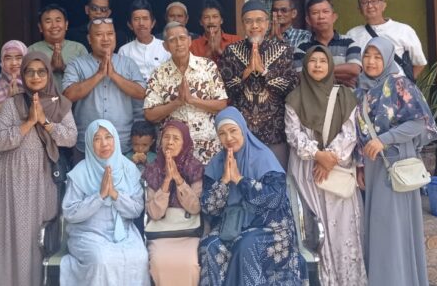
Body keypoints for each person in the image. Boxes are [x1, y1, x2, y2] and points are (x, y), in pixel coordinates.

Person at [0, 52, 77, 286]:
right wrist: (28, 122)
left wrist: (45, 122)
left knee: (38, 235)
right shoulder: (13, 103)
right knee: (12, 234)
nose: (35, 76)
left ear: (49, 74)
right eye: (30, 72)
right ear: (23, 75)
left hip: (43, 178)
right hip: (11, 179)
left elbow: (70, 138)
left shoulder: (60, 104)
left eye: (41, 71)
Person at [355, 37, 437, 286]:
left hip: (396, 162)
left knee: (391, 227)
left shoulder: (400, 84)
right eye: (367, 55)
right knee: (378, 227)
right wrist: (360, 164)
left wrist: (384, 139)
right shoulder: (360, 90)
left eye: (377, 57)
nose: (371, 61)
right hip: (373, 165)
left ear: (388, 59)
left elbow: (420, 122)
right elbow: (358, 132)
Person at [284, 45, 367, 286]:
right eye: (313, 61)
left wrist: (330, 158)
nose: (318, 65)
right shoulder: (294, 98)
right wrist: (319, 155)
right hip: (307, 173)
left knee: (343, 232)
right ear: (305, 66)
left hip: (336, 172)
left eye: (323, 60)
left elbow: (351, 133)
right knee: (313, 231)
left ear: (330, 65)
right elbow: (293, 134)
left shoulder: (346, 96)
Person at [199, 107, 303, 286]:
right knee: (210, 246)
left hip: (271, 227)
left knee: (246, 246)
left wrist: (240, 180)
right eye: (222, 133)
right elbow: (209, 209)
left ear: (243, 129)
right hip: (231, 226)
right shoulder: (217, 164)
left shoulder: (263, 157)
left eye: (233, 131)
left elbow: (275, 199)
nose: (228, 138)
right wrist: (224, 180)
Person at [60, 120, 149, 286]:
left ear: (115, 139)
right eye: (97, 139)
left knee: (140, 257)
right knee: (102, 260)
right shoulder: (80, 173)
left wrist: (115, 195)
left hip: (125, 233)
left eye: (108, 137)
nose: (104, 143)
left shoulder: (129, 169)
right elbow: (70, 213)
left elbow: (136, 209)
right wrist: (99, 196)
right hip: (87, 233)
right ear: (89, 143)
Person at [218, 0, 298, 168]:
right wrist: (246, 73)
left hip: (274, 132)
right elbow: (225, 91)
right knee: (243, 180)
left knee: (274, 179)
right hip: (242, 134)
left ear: (267, 23)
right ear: (243, 24)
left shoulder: (283, 51)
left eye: (259, 20)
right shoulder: (231, 51)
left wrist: (264, 72)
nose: (254, 26)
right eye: (249, 21)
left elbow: (291, 88)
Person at [63, 18, 146, 163]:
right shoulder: (77, 64)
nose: (106, 39)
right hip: (87, 142)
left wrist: (114, 75)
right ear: (89, 39)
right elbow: (68, 95)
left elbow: (141, 93)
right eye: (99, 34)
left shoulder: (128, 63)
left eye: (110, 34)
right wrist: (99, 75)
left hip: (122, 142)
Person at [145, 21, 228, 164]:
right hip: (173, 151)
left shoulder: (208, 67)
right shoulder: (158, 74)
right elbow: (150, 114)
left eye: (182, 38)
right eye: (172, 40)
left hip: (208, 148)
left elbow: (222, 104)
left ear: (190, 41)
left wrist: (192, 100)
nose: (178, 43)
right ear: (165, 46)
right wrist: (176, 103)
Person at [143, 120, 205, 286]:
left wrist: (178, 179)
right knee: (159, 262)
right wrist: (166, 182)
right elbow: (154, 213)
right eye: (166, 137)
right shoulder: (153, 168)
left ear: (185, 142)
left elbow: (195, 208)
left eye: (176, 138)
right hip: (160, 231)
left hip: (188, 231)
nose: (170, 142)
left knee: (189, 264)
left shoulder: (195, 167)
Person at [346, 0, 427, 78]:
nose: (370, 5)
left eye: (374, 1)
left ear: (384, 5)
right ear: (359, 9)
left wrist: (405, 83)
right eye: (364, 2)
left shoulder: (404, 30)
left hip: (395, 86)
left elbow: (419, 63)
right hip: (363, 86)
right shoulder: (352, 34)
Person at [295, 0, 362, 87]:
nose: (321, 16)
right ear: (308, 20)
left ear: (334, 17)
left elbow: (354, 70)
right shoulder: (302, 47)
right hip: (314, 96)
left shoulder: (349, 42)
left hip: (345, 96)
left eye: (325, 11)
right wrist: (339, 79)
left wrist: (317, 72)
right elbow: (302, 77)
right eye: (315, 13)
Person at [28, 4, 87, 91]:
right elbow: (27, 81)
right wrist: (51, 67)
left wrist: (64, 68)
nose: (54, 25)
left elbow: (87, 79)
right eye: (48, 22)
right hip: (42, 99)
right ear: (40, 27)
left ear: (66, 25)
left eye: (58, 20)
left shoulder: (78, 49)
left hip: (74, 99)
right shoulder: (32, 51)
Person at [119, 0, 171, 81]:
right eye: (136, 19)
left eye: (145, 18)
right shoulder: (124, 51)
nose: (141, 23)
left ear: (153, 23)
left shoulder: (165, 47)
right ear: (130, 25)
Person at [190, 0, 239, 65]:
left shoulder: (235, 40)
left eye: (215, 17)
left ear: (221, 20)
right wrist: (208, 53)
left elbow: (238, 67)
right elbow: (193, 70)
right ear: (201, 22)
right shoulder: (193, 45)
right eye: (206, 17)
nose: (211, 21)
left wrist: (219, 51)